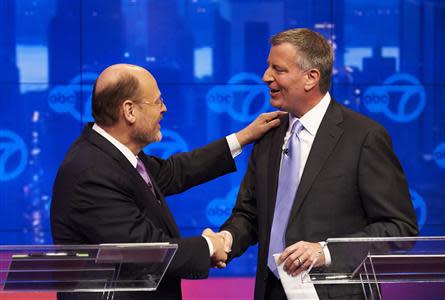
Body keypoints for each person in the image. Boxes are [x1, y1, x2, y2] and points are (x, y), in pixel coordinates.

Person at [50, 63, 284, 300]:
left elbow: (175, 171)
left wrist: (242, 138)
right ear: (129, 111)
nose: (164, 108)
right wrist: (211, 246)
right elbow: (145, 251)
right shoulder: (91, 172)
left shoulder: (114, 155)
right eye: (157, 101)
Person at [217, 28, 418, 299]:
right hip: (271, 291)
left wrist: (326, 251)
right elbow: (249, 214)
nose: (266, 77)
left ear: (311, 77)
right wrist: (226, 239)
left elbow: (399, 228)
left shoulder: (363, 137)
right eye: (268, 67)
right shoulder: (268, 134)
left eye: (278, 69)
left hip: (334, 292)